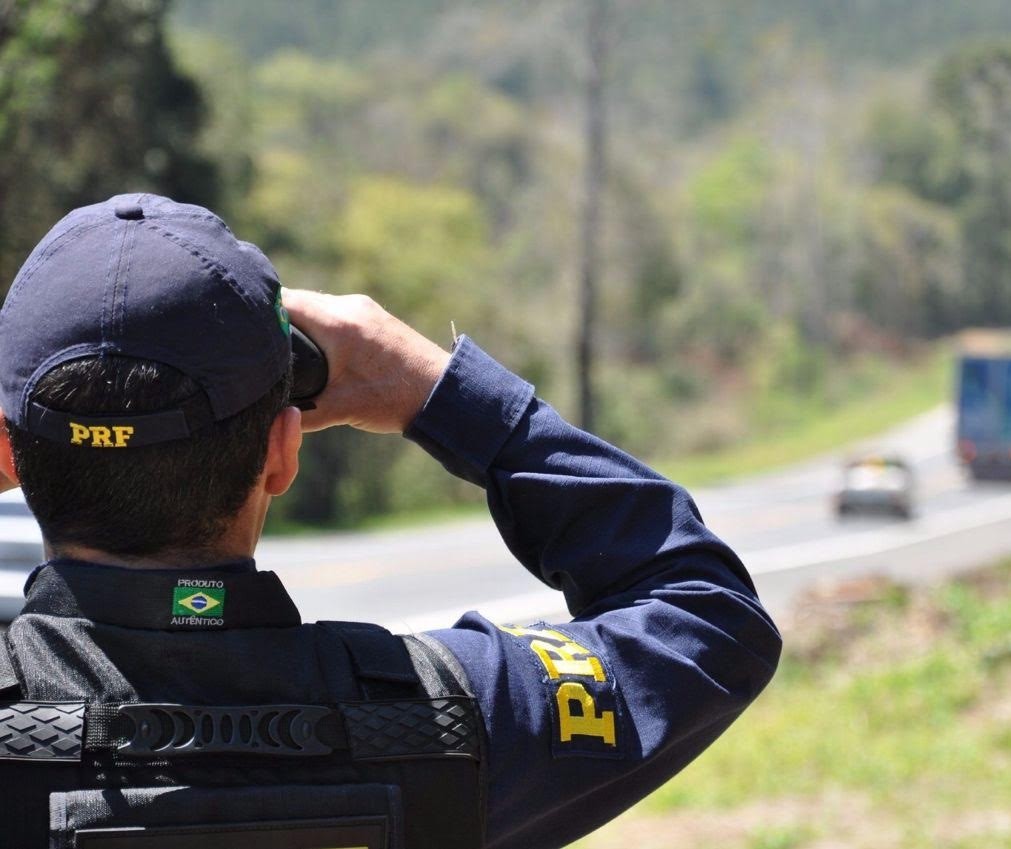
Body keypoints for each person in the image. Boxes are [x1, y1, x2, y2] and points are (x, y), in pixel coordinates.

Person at [0, 194, 781, 849]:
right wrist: (441, 394)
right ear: (281, 452)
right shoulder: (445, 719)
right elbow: (705, 618)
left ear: (9, 457)